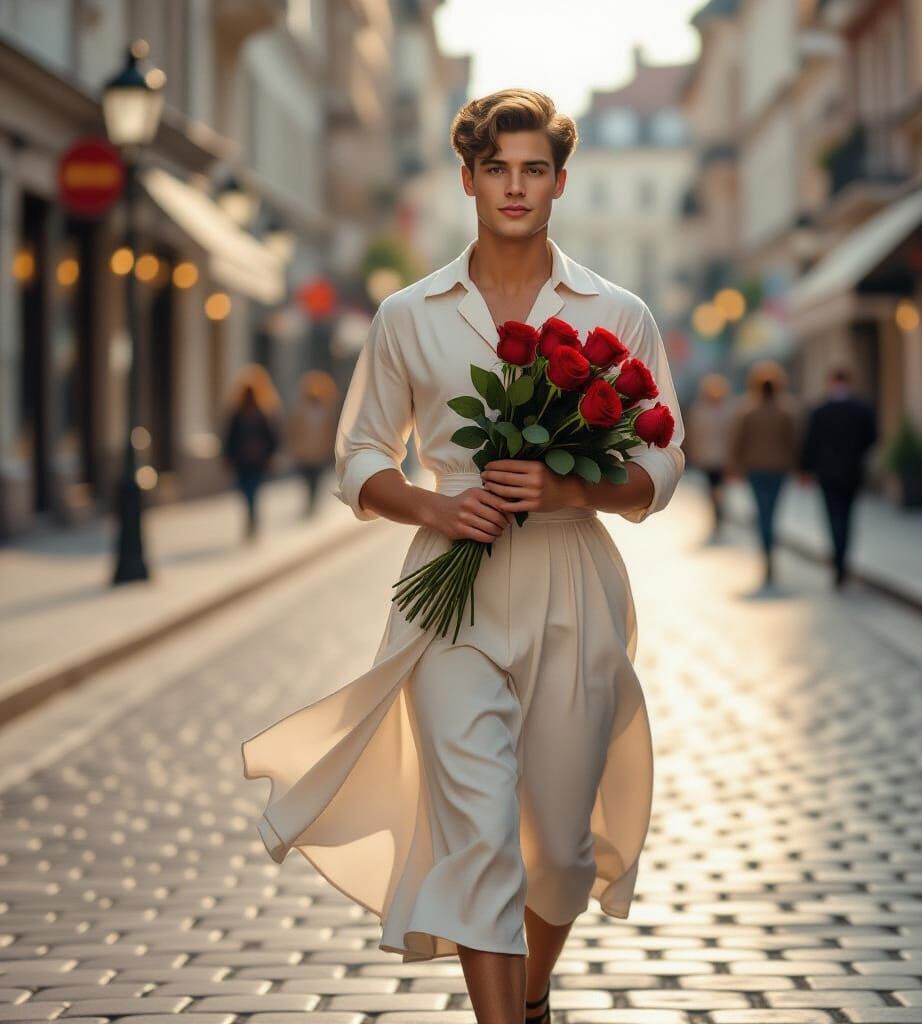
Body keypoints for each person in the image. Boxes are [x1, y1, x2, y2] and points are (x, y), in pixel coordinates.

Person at [240, 88, 686, 1024]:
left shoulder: (617, 311)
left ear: (560, 182)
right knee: (478, 838)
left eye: (533, 171)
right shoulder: (410, 312)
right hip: (450, 603)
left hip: (574, 585)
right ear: (468, 179)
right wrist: (437, 506)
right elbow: (359, 453)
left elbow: (662, 457)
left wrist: (571, 489)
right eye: (497, 170)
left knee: (558, 850)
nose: (514, 188)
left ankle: (529, 997)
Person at [799, 365, 877, 588]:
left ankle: (838, 558)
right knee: (847, 516)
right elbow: (871, 438)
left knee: (833, 516)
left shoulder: (820, 411)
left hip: (827, 473)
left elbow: (809, 444)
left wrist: (805, 469)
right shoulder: (861, 409)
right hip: (851, 471)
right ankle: (842, 559)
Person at [727, 361, 799, 588]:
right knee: (772, 512)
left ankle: (766, 551)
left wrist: (735, 466)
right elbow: (794, 441)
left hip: (756, 468)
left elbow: (738, 440)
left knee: (762, 512)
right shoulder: (786, 410)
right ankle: (770, 550)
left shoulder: (748, 411)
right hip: (778, 468)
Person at [222, 365, 282, 541]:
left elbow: (272, 437)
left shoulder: (262, 414)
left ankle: (252, 519)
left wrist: (270, 455)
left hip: (257, 461)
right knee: (246, 491)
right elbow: (229, 437)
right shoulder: (237, 414)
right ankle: (251, 518)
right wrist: (228, 456)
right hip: (242, 461)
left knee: (252, 491)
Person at [287, 370, 340, 518]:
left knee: (316, 479)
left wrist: (331, 449)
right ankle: (309, 501)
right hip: (304, 453)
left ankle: (312, 502)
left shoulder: (327, 412)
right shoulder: (300, 410)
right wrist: (293, 448)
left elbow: (330, 433)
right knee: (306, 478)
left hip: (319, 453)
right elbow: (293, 431)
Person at [686, 373, 733, 536]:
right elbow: (694, 435)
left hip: (723, 457)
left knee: (718, 489)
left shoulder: (727, 409)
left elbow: (732, 434)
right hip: (707, 458)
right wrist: (694, 454)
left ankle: (719, 515)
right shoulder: (699, 409)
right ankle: (717, 515)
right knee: (712, 489)